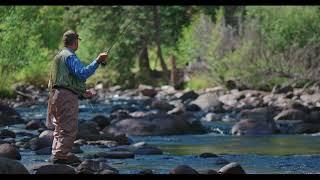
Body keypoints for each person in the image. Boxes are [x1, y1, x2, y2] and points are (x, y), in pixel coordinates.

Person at [46, 30, 108, 164]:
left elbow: (64, 80)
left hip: (54, 96)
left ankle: (56, 154)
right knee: (68, 128)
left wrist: (82, 91)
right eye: (77, 41)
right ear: (75, 42)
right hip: (65, 97)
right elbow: (82, 74)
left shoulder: (58, 56)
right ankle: (60, 158)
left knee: (59, 127)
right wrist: (97, 61)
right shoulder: (70, 56)